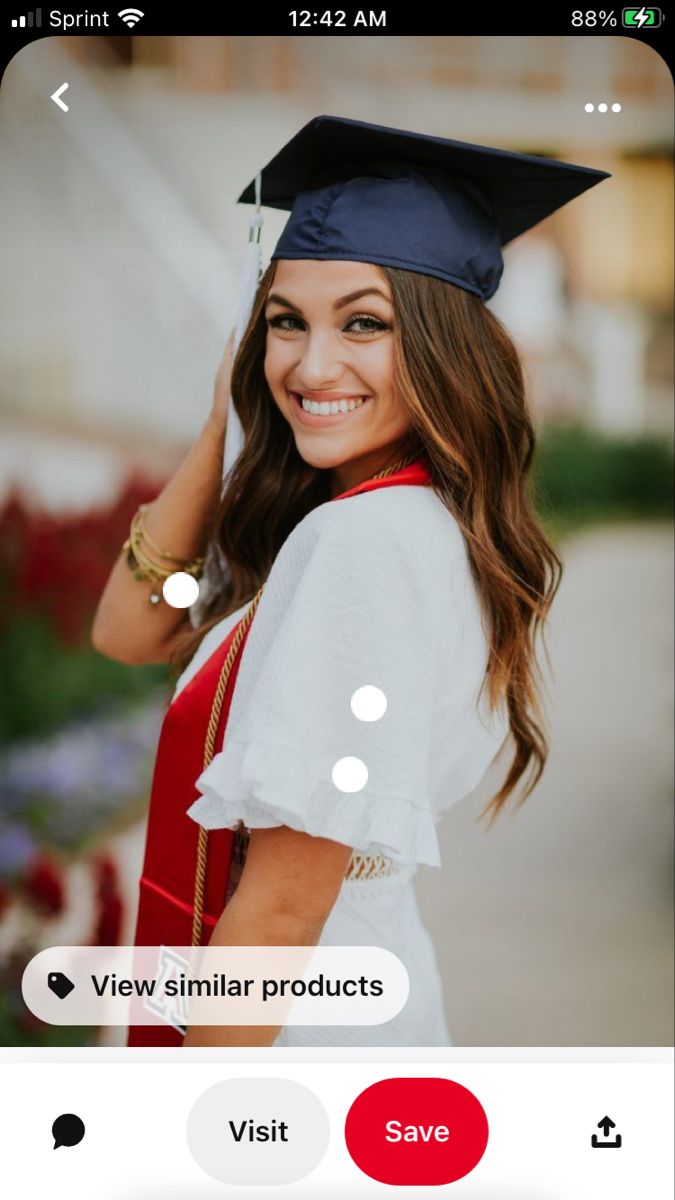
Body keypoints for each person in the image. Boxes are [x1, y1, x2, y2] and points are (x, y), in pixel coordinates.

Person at [91, 114, 611, 1048]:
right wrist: (221, 429)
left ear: (446, 345)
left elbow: (281, 918)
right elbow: (134, 630)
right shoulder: (408, 521)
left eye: (363, 323)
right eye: (285, 323)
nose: (311, 364)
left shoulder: (360, 548)